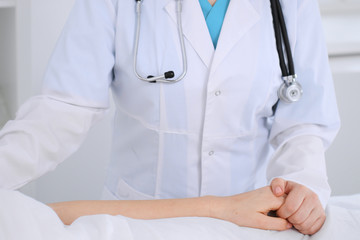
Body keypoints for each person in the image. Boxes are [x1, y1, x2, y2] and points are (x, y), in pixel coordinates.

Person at [0, 0, 340, 235]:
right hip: (138, 222)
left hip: (252, 219)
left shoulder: (291, 5)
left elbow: (303, 121)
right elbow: (63, 109)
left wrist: (303, 185)